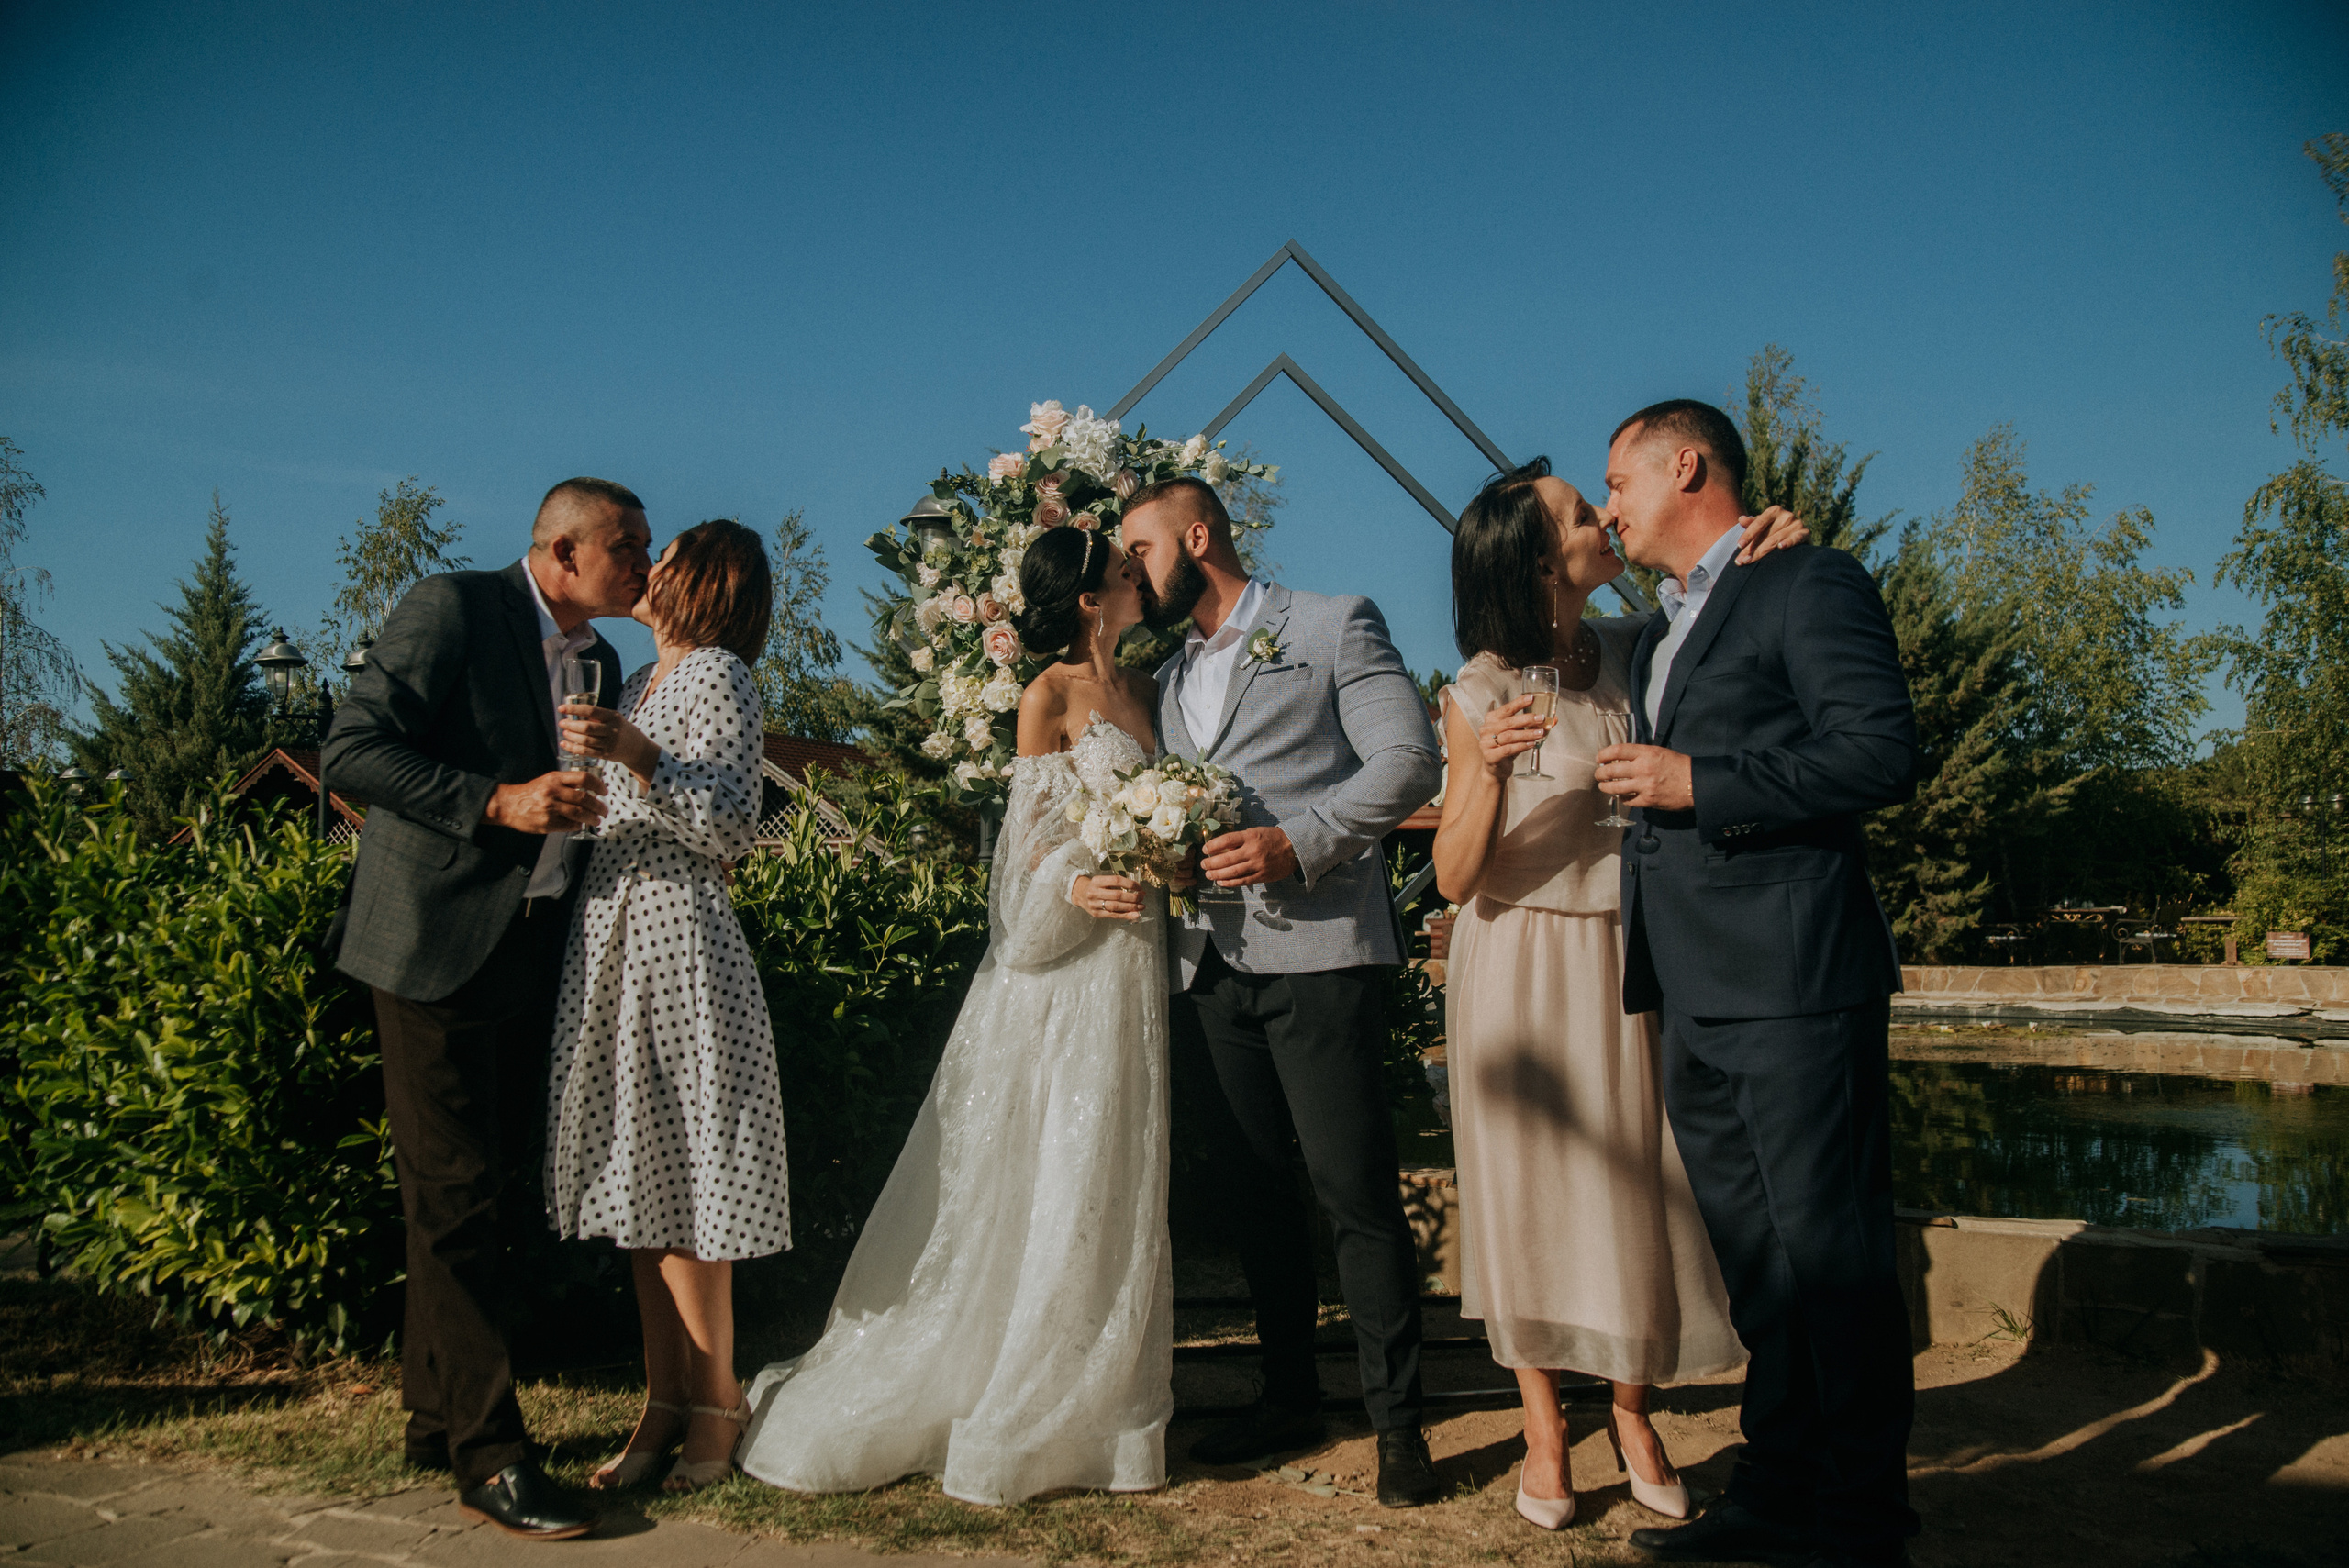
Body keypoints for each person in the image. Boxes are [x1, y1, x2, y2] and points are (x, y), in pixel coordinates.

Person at [735, 524, 1178, 1506]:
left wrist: (1167, 853)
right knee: (1049, 1168)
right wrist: (1084, 883)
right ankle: (1015, 1378)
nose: (1138, 576)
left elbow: (1159, 813)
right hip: (1060, 974)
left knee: (1112, 1159)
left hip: (1132, 965)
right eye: (1121, 569)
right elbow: (1020, 867)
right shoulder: (1046, 697)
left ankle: (1098, 1393)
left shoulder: (1147, 693)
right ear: (1085, 599)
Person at [1434, 460, 1809, 1530]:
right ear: (1534, 558)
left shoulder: (1640, 649)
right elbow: (1456, 877)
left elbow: (1719, 607)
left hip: (1631, 949)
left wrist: (1763, 539)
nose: (1601, 517)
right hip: (1518, 959)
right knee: (1533, 1190)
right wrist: (1493, 771)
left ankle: (1633, 1407)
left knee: (1646, 1179)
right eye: (1572, 514)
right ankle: (1546, 1419)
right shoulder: (1475, 689)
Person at [1591, 401, 1920, 1568]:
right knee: (1759, 1267)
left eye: (1617, 480)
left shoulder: (1807, 582)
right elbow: (1542, 577)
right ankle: (1778, 1493)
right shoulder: (1653, 627)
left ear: (1686, 464)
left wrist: (1701, 778)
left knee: (1829, 1256)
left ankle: (1862, 1521)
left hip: (1792, 977)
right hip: (1688, 983)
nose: (1605, 507)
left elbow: (1879, 749)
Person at [323, 477, 650, 1540]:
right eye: (626, 548)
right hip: (429, 946)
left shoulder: (599, 661)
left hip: (529, 949)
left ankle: (431, 1416)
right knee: (455, 1193)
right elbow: (353, 749)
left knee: (476, 1194)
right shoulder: (452, 607)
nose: (643, 567)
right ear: (561, 551)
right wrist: (496, 800)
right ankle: (489, 1456)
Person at [1120, 476, 1447, 1508]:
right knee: (1257, 1198)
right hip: (1210, 968)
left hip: (1322, 953)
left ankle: (1400, 1425)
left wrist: (1296, 843)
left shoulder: (1333, 622)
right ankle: (1289, 1395)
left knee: (1354, 1193)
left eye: (1139, 548)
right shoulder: (1166, 677)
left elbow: (1408, 759)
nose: (1129, 570)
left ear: (1198, 533)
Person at [543, 519, 791, 1493]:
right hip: (613, 935)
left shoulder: (720, 673)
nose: (649, 567)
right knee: (641, 1182)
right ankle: (661, 1400)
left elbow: (734, 819)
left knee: (689, 1180)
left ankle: (716, 1400)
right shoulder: (641, 680)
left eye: (670, 552)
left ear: (711, 580)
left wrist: (640, 758)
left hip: (679, 939)